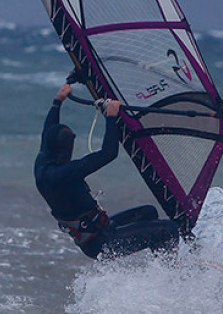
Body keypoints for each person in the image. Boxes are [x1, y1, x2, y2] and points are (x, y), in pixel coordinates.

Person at [34, 83, 180, 259]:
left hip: (102, 230)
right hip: (103, 243)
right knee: (169, 229)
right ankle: (171, 275)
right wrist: (111, 117)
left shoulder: (42, 165)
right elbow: (108, 153)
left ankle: (159, 264)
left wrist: (58, 100)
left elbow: (47, 130)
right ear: (67, 148)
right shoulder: (66, 174)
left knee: (148, 212)